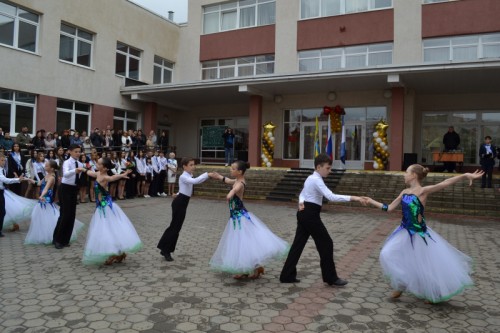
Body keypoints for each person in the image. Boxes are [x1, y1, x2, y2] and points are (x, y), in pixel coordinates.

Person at [365, 164, 481, 303]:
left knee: (424, 265)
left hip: (419, 234)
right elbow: (389, 208)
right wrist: (371, 201)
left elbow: (444, 183)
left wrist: (465, 175)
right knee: (386, 254)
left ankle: (434, 292)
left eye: (406, 172)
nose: (404, 174)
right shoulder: (404, 192)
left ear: (414, 175)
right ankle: (403, 282)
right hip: (403, 232)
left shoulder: (423, 191)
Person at [280, 154, 367, 286]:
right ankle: (330, 278)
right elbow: (330, 196)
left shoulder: (311, 178)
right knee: (326, 243)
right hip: (310, 215)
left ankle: (286, 275)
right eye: (328, 168)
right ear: (319, 167)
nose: (330, 170)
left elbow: (302, 194)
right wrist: (354, 198)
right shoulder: (315, 179)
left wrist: (301, 202)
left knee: (298, 245)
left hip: (305, 213)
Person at [210, 161, 289, 279]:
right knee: (245, 243)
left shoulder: (240, 183)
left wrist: (230, 193)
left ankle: (244, 270)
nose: (230, 170)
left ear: (240, 171)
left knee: (242, 243)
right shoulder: (237, 180)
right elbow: (228, 181)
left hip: (240, 217)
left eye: (233, 169)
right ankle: (256, 268)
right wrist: (219, 177)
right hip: (236, 218)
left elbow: (235, 189)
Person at [83, 157, 143, 265]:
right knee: (106, 231)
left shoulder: (105, 177)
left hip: (106, 207)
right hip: (100, 207)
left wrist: (122, 175)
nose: (96, 164)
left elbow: (113, 178)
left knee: (109, 230)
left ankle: (115, 253)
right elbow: (89, 173)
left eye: (99, 163)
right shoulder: (98, 174)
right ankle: (118, 253)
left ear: (105, 168)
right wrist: (82, 169)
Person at [157, 158, 216, 261]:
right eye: (191, 165)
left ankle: (165, 248)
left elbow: (184, 189)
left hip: (182, 201)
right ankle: (166, 250)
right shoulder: (184, 176)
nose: (194, 166)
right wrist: (208, 174)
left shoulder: (188, 176)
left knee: (176, 227)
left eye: (194, 165)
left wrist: (178, 194)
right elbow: (195, 181)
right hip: (180, 203)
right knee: (175, 227)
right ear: (184, 166)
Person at [24, 160, 84, 245]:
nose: (45, 167)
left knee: (48, 219)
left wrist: (41, 196)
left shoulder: (52, 177)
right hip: (42, 201)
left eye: (47, 166)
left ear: (52, 169)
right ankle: (45, 235)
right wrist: (28, 179)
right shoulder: (46, 176)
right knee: (42, 219)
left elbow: (46, 188)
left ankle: (53, 236)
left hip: (46, 201)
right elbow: (38, 183)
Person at [52, 144, 86, 249]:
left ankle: (65, 239)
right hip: (65, 188)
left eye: (79, 151)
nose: (78, 153)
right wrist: (75, 171)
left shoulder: (80, 164)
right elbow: (66, 174)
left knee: (71, 215)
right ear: (70, 152)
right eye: (75, 151)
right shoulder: (67, 162)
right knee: (65, 214)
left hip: (73, 189)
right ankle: (57, 239)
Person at [0, 153, 32, 237]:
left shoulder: (2, 169)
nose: (3, 162)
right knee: (2, 212)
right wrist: (18, 179)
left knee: (2, 212)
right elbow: (5, 180)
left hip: (2, 191)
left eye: (4, 160)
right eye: (1, 160)